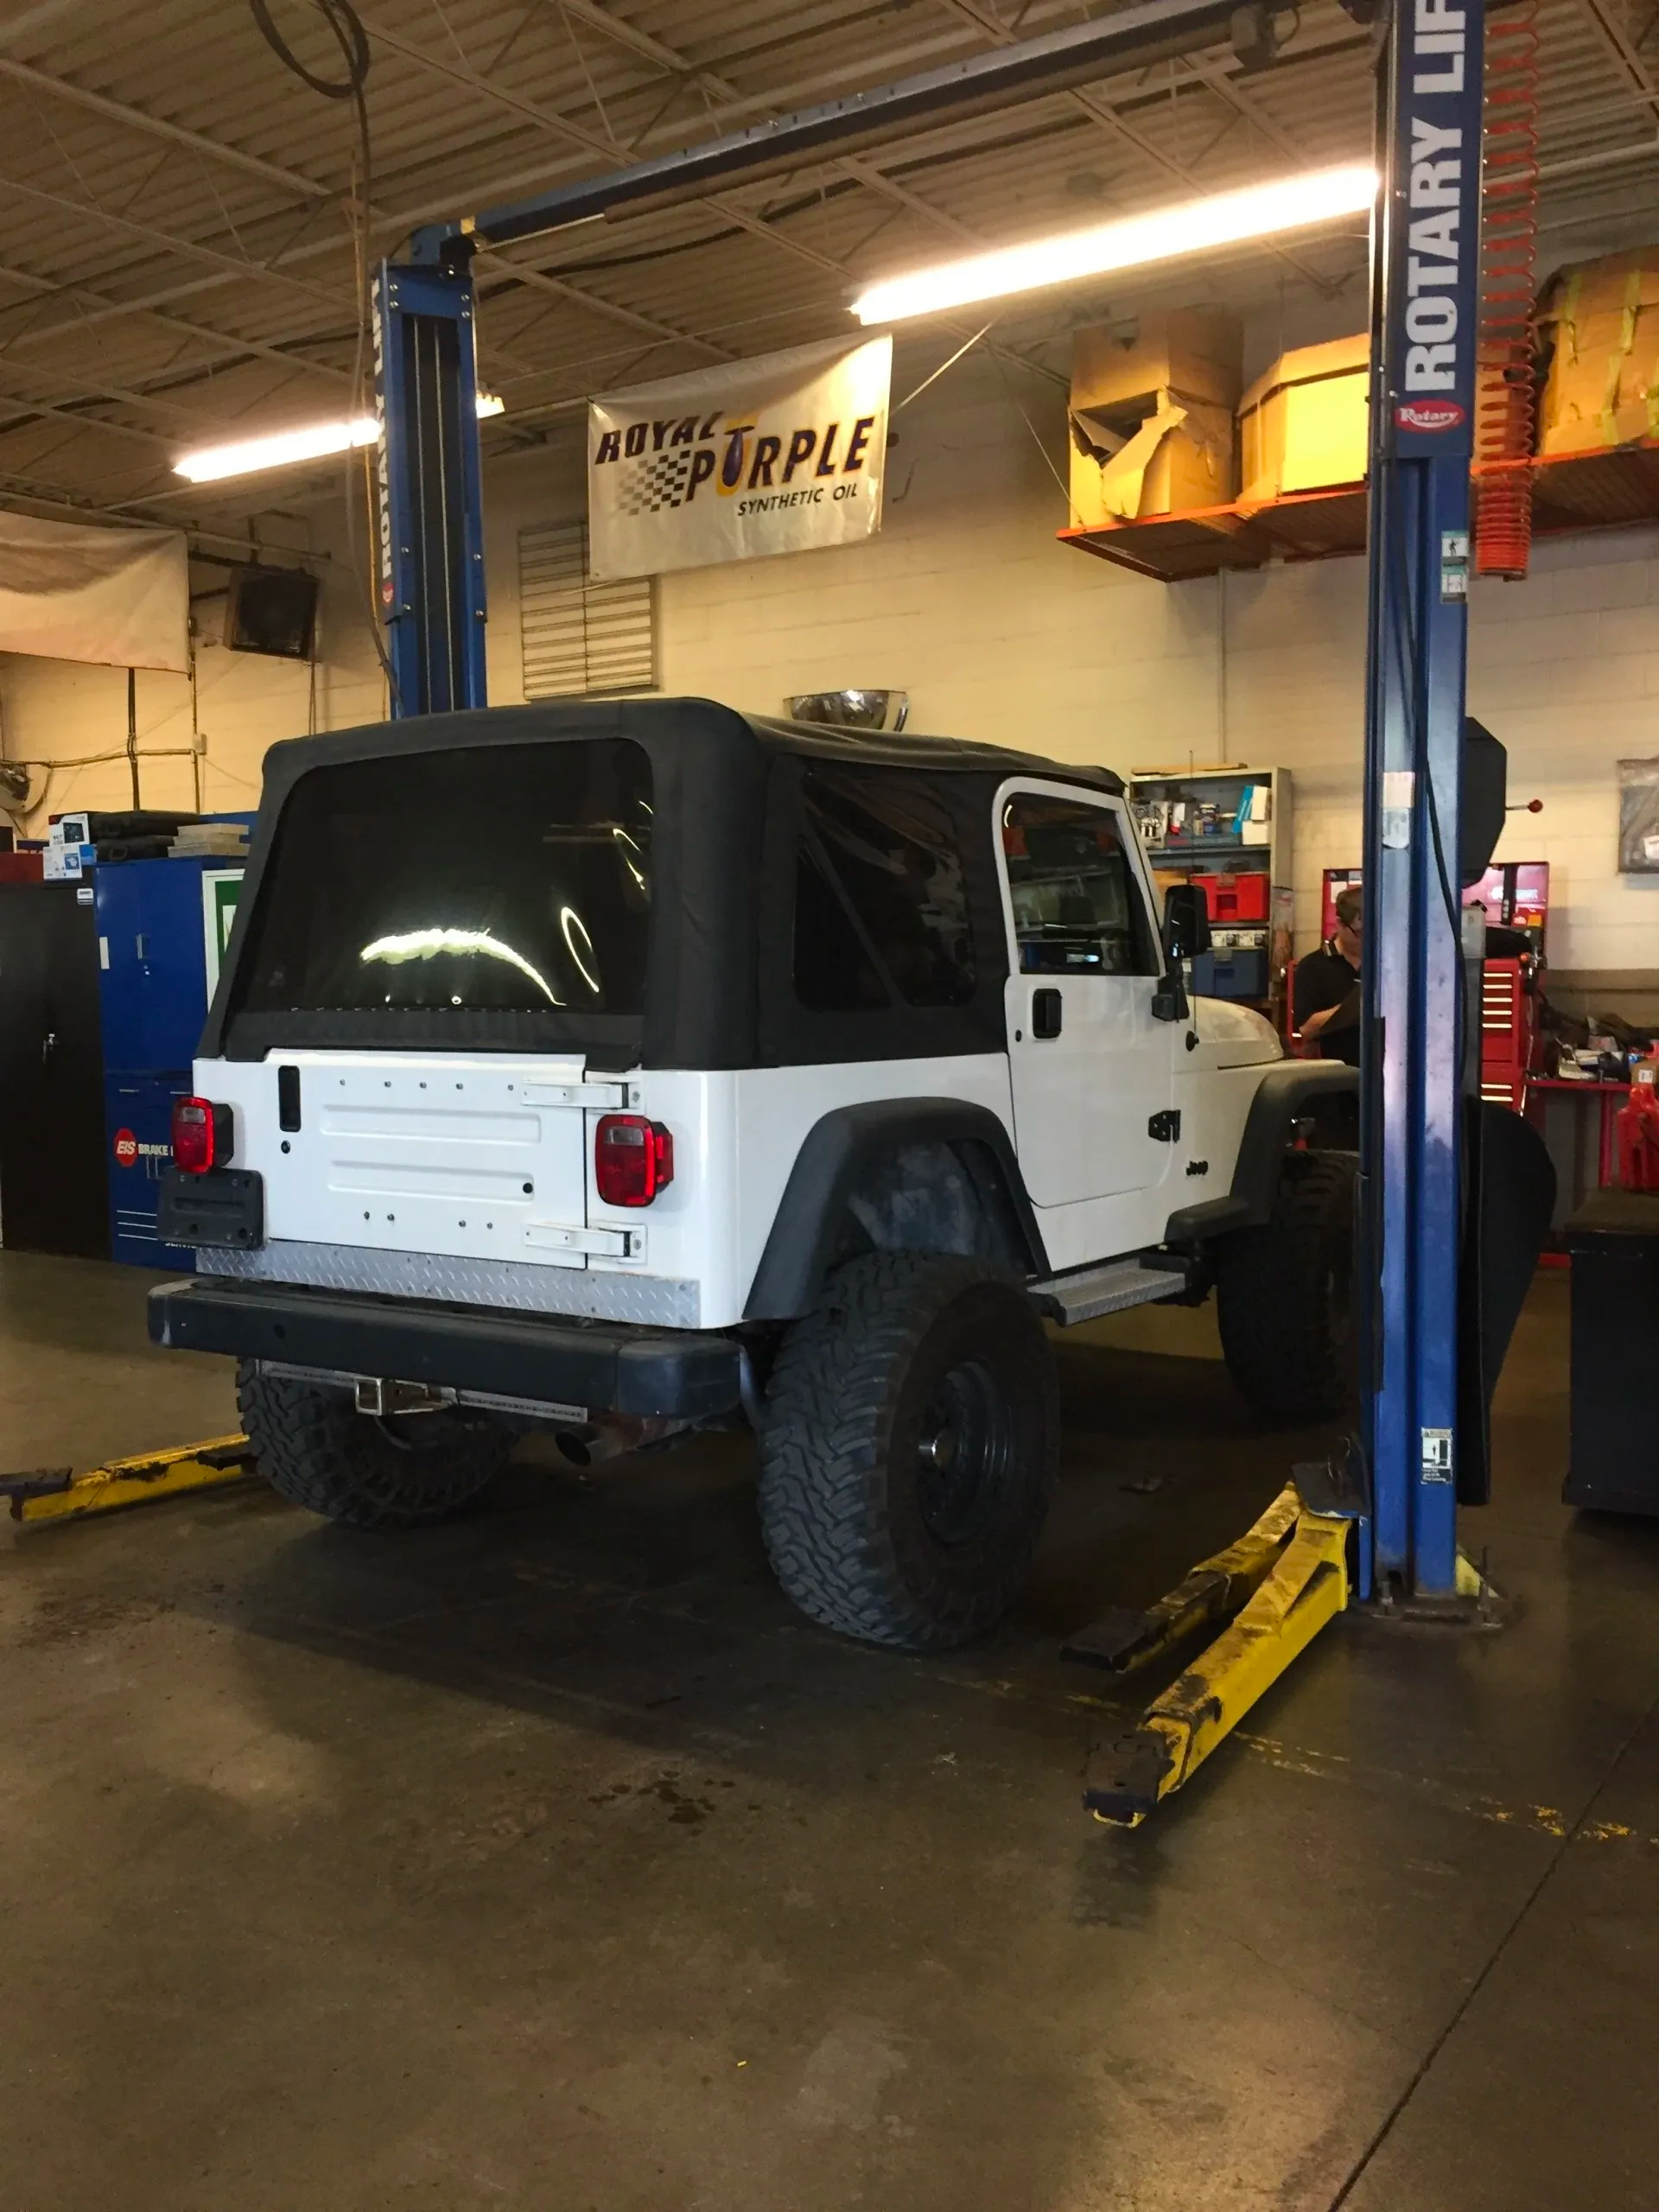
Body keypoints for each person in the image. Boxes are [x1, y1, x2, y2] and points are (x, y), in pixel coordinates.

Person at [1294, 885, 1363, 1065]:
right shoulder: (1312, 967)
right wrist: (1353, 1008)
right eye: (1361, 933)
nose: (1370, 939)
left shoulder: (1387, 963)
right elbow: (1306, 1028)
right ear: (1340, 924)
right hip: (1336, 1076)